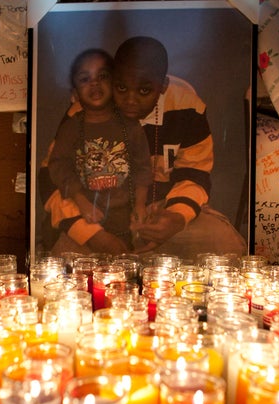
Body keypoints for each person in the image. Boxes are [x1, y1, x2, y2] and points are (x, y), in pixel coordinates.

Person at [40, 36, 247, 259]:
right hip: (97, 218)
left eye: (144, 91)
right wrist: (92, 235)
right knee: (67, 264)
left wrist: (177, 217)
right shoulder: (85, 113)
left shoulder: (188, 109)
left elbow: (195, 174)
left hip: (163, 211)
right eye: (121, 87)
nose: (130, 99)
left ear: (163, 86)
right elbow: (52, 178)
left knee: (223, 244)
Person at [46, 48, 153, 254]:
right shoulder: (71, 128)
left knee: (130, 264)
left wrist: (140, 205)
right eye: (85, 79)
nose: (94, 83)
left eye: (102, 76)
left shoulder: (130, 126)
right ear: (74, 94)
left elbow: (143, 169)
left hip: (125, 217)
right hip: (86, 215)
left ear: (115, 84)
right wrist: (81, 201)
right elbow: (59, 167)